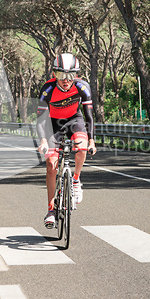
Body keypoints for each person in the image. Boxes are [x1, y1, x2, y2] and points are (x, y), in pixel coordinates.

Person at [37, 53, 96, 228]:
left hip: (74, 120)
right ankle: (50, 210)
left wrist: (92, 140)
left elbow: (89, 117)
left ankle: (76, 180)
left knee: (81, 146)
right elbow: (40, 119)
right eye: (61, 75)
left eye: (70, 76)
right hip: (52, 125)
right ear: (54, 74)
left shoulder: (82, 87)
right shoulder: (47, 89)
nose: (65, 80)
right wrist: (43, 140)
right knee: (51, 164)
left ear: (76, 75)